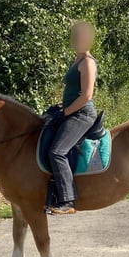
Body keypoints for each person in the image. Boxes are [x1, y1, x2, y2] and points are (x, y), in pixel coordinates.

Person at [46, 21, 97, 215]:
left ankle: (67, 200)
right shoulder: (76, 61)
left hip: (82, 114)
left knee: (57, 152)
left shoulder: (88, 62)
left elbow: (86, 96)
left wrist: (65, 113)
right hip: (71, 111)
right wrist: (60, 109)